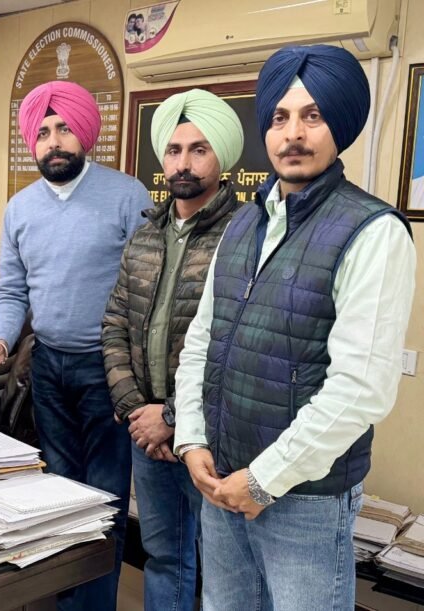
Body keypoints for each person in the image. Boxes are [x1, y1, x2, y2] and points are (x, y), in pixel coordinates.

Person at [173, 45, 416, 609]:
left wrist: (263, 481)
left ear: (339, 126)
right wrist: (191, 439)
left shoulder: (373, 232)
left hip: (304, 501)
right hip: (220, 481)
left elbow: (361, 389)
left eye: (313, 115)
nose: (294, 134)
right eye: (280, 117)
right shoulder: (242, 224)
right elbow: (201, 342)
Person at [0, 80, 151, 610]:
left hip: (109, 370)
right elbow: (12, 289)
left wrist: (133, 374)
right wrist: (2, 340)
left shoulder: (128, 196)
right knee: (60, 497)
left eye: (64, 128)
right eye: (44, 132)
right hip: (47, 367)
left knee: (105, 500)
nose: (53, 141)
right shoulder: (19, 208)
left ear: (86, 134)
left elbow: (147, 289)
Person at [102, 88, 244, 611]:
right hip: (147, 432)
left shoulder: (245, 235)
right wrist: (135, 411)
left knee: (224, 566)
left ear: (222, 157)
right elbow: (114, 324)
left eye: (199, 149)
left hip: (211, 436)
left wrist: (173, 418)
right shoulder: (145, 234)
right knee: (164, 557)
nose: (184, 162)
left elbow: (237, 347)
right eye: (174, 150)